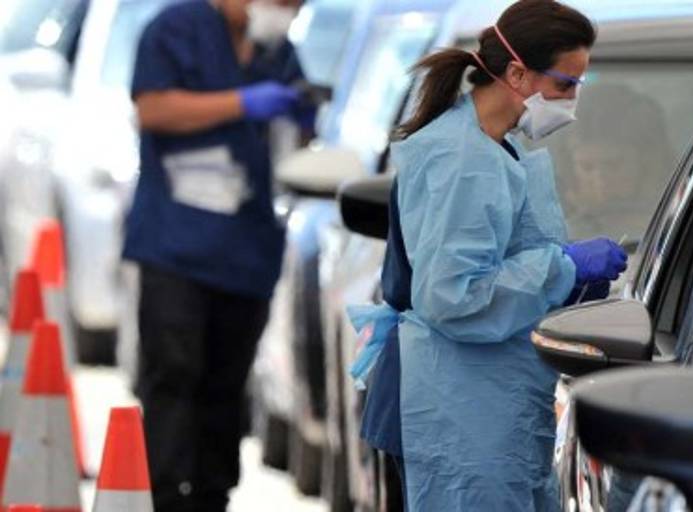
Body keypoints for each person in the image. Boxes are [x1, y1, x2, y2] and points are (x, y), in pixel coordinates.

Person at [351, 1, 628, 509]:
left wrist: (564, 278)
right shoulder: (462, 159)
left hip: (483, 405)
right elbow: (452, 295)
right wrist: (563, 266)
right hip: (457, 410)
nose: (571, 101)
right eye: (564, 84)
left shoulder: (494, 148)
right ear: (517, 74)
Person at [124, 1, 304, 510]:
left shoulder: (277, 53)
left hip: (245, 254)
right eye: (279, 1)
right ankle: (165, 495)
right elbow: (153, 109)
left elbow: (296, 136)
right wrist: (241, 103)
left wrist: (303, 113)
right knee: (172, 375)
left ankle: (211, 496)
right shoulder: (175, 30)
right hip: (176, 246)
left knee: (226, 387)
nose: (284, 12)